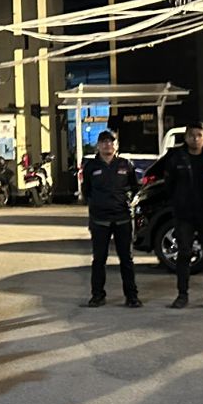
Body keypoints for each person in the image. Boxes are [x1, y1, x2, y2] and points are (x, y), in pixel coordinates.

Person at [159, 123, 203, 309]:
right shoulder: (175, 158)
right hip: (184, 214)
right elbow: (169, 185)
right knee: (184, 254)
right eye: (191, 135)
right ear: (186, 137)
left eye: (199, 135)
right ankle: (182, 295)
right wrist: (177, 203)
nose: (195, 138)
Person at [79, 130, 140, 308]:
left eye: (111, 142)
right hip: (100, 221)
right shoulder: (91, 167)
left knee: (126, 259)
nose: (108, 145)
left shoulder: (126, 165)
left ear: (117, 145)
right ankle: (97, 296)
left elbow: (135, 188)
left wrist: (128, 202)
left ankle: (131, 296)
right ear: (98, 145)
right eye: (104, 142)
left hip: (122, 219)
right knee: (99, 259)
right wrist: (96, 205)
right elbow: (86, 191)